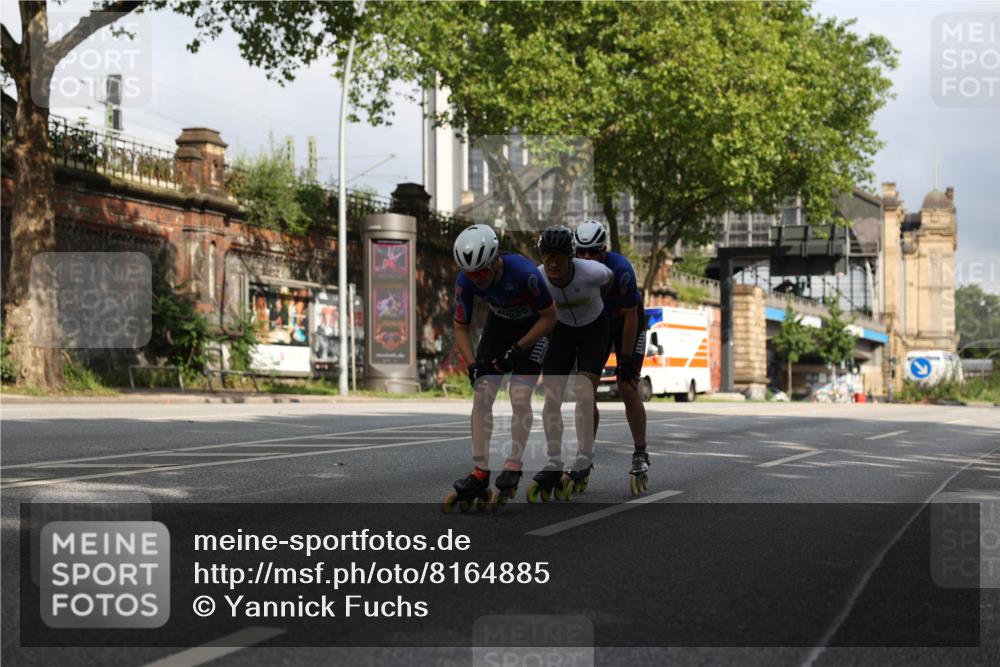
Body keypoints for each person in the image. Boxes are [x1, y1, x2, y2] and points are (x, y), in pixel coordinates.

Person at [444, 224, 558, 512]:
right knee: (482, 394)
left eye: (482, 272)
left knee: (519, 395)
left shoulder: (525, 273)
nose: (477, 280)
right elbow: (460, 327)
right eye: (471, 274)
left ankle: (513, 464)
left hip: (535, 330)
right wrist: (472, 366)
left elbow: (550, 317)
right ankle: (480, 472)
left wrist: (517, 349)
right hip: (499, 327)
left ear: (496, 261)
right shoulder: (466, 280)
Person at [530, 224, 613, 502]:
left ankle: (584, 456)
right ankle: (554, 461)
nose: (553, 262)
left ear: (571, 257)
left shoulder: (593, 272)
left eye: (559, 257)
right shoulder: (538, 279)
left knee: (585, 391)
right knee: (551, 397)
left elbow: (610, 281)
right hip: (563, 330)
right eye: (547, 256)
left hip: (595, 328)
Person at [574, 219, 650, 494]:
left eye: (593, 252)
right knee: (585, 391)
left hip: (628, 321)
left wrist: (626, 360)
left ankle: (640, 452)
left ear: (604, 250)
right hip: (598, 324)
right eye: (581, 252)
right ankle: (584, 453)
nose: (587, 258)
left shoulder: (621, 270)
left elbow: (631, 316)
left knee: (627, 386)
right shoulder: (572, 271)